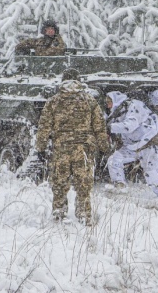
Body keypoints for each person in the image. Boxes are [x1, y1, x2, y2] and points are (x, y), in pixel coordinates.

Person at [35, 69, 109, 222]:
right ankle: (83, 214)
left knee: (60, 183)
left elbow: (44, 127)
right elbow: (99, 126)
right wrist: (103, 147)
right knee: (83, 184)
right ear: (79, 81)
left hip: (61, 149)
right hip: (83, 150)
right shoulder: (89, 100)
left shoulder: (53, 101)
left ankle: (59, 212)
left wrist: (41, 148)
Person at [105, 91, 158, 198]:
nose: (108, 105)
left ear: (116, 100)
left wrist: (109, 128)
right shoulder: (119, 112)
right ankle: (120, 187)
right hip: (132, 146)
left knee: (151, 174)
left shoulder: (135, 106)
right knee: (114, 160)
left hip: (148, 145)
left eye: (109, 102)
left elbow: (129, 126)